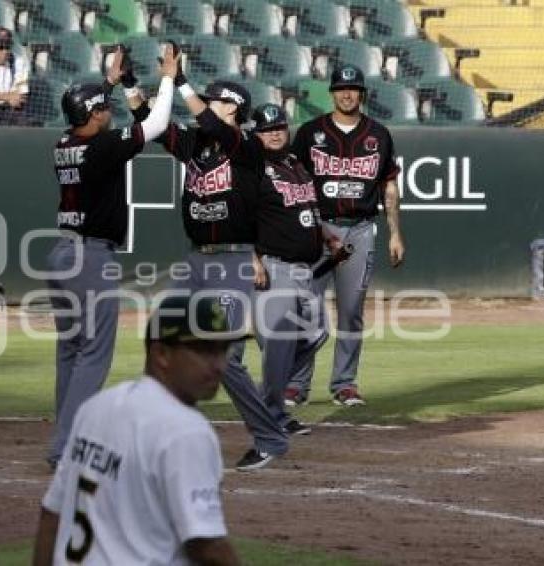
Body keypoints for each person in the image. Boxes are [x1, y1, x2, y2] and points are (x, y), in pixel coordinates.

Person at [132, 55, 289, 471]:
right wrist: (130, 83)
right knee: (166, 337)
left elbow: (215, 127)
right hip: (194, 260)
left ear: (233, 107)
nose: (204, 105)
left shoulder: (248, 147)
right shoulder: (196, 144)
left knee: (225, 358)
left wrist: (181, 81)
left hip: (232, 259)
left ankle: (270, 437)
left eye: (213, 101)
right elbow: (149, 125)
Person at [45, 46, 180, 469]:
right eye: (103, 106)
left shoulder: (65, 141)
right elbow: (155, 123)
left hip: (61, 252)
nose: (109, 110)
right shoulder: (102, 147)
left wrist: (113, 82)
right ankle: (69, 444)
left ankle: (63, 441)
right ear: (95, 113)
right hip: (89, 255)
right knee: (95, 352)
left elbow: (88, 113)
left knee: (71, 349)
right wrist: (169, 78)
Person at [33, 294, 241, 566]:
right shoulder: (186, 430)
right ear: (161, 354)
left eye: (222, 350)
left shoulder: (95, 408)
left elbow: (52, 515)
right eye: (203, 350)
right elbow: (207, 547)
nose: (218, 365)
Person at [287, 64, 405, 407]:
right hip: (317, 229)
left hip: (359, 229)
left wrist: (395, 233)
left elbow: (390, 187)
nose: (347, 94)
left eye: (353, 89)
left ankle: (344, 383)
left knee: (351, 310)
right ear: (332, 92)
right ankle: (296, 383)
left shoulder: (379, 134)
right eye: (341, 88)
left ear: (362, 93)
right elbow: (292, 183)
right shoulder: (311, 133)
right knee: (306, 308)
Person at [249, 103, 336, 437]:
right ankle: (273, 413)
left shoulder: (294, 162)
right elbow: (241, 217)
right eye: (267, 129)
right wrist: (251, 259)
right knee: (281, 342)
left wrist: (326, 236)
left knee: (317, 333)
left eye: (279, 127)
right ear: (255, 134)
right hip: (274, 266)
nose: (274, 133)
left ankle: (265, 399)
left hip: (306, 268)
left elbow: (308, 207)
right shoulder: (252, 167)